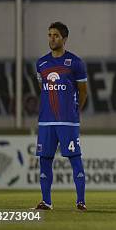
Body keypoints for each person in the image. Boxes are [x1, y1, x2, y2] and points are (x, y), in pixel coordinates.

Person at [33, 21, 88, 211]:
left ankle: (81, 201)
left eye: (55, 35)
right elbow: (43, 88)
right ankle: (46, 201)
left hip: (67, 121)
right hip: (46, 121)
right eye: (49, 35)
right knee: (44, 160)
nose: (52, 38)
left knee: (75, 158)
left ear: (64, 39)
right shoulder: (41, 63)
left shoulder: (75, 62)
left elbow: (83, 91)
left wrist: (74, 111)